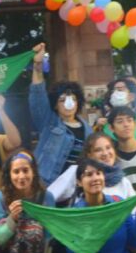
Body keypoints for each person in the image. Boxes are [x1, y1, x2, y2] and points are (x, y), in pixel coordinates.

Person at [46, 132, 136, 253]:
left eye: (108, 148)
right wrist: (59, 224)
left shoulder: (122, 183)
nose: (105, 153)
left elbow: (134, 230)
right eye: (98, 150)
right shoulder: (75, 173)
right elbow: (48, 196)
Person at [28, 43, 90, 184]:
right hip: (49, 185)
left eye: (73, 99)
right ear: (55, 104)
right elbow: (37, 94)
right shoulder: (48, 122)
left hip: (77, 187)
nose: (68, 104)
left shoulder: (88, 130)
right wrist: (38, 65)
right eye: (62, 100)